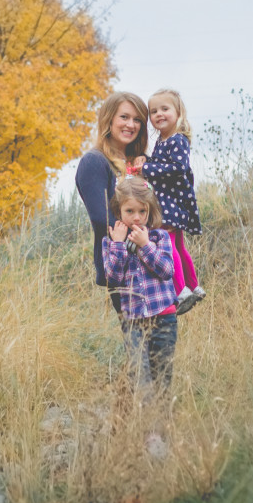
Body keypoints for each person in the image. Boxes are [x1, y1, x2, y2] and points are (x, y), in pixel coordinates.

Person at [102, 176, 178, 400]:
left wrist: (145, 246)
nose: (136, 217)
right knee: (140, 376)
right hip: (133, 321)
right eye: (129, 211)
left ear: (149, 211)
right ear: (118, 211)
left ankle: (162, 428)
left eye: (142, 211)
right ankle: (147, 430)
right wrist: (118, 244)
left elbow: (166, 270)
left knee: (162, 376)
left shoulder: (159, 237)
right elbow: (113, 278)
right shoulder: (111, 241)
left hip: (164, 318)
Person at [131, 88, 205, 315]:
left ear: (178, 112)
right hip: (168, 202)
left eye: (165, 109)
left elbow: (178, 167)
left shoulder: (178, 140)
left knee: (169, 244)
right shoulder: (163, 141)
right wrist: (147, 160)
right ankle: (194, 287)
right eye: (154, 111)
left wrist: (147, 168)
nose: (159, 114)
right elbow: (163, 163)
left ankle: (181, 290)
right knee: (179, 246)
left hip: (172, 203)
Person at [75, 92, 149, 313]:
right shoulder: (95, 161)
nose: (131, 124)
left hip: (152, 259)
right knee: (138, 339)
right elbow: (101, 218)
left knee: (162, 337)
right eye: (124, 117)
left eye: (137, 120)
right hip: (122, 263)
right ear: (109, 119)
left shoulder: (140, 162)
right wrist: (140, 236)